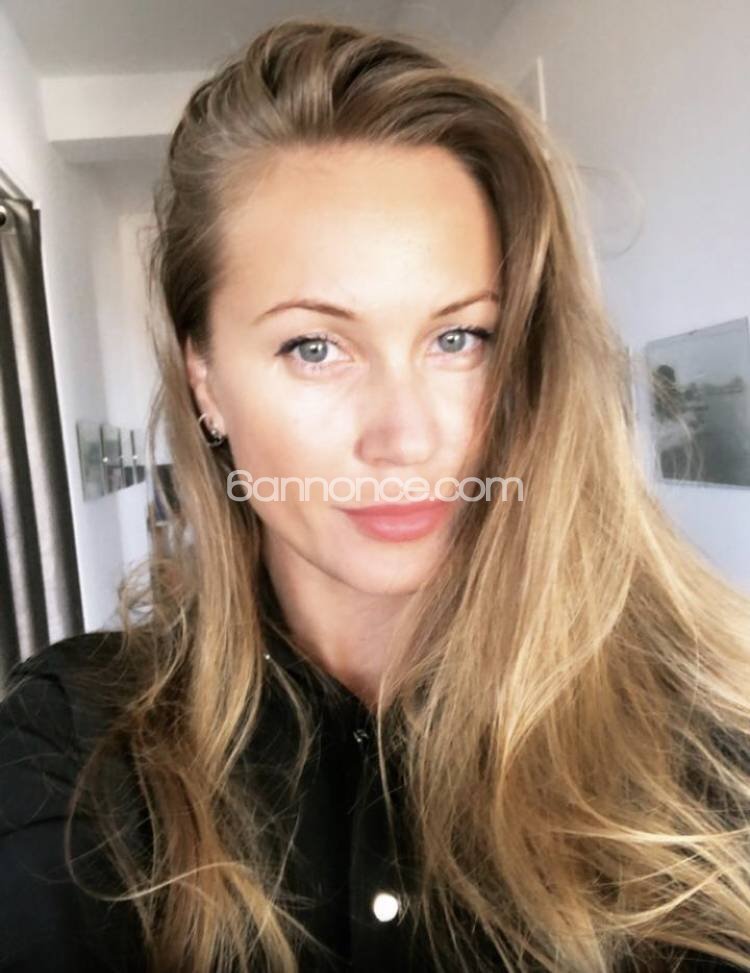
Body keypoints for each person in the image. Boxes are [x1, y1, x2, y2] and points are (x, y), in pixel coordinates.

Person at [1, 16, 750, 973]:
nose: (406, 436)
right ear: (204, 379)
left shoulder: (707, 744)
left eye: (459, 338)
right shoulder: (73, 755)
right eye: (315, 346)